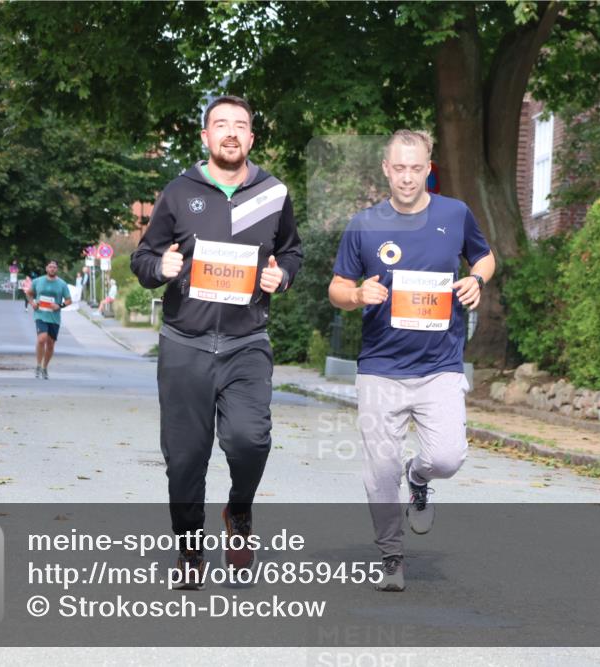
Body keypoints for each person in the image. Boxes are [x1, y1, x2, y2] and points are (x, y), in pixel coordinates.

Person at [131, 95, 302, 587]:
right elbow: (143, 258)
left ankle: (239, 511)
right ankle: (189, 548)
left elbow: (291, 252)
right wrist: (158, 268)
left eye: (240, 125)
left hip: (247, 343)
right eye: (220, 125)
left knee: (250, 441)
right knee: (184, 459)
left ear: (252, 137)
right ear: (204, 137)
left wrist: (282, 277)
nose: (230, 133)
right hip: (185, 342)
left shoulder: (273, 193)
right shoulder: (179, 192)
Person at [328, 130, 496, 592]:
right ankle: (391, 556)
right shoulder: (364, 224)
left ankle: (418, 478)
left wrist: (476, 281)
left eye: (415, 168)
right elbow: (337, 288)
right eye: (398, 168)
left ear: (428, 168)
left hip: (440, 365)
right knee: (380, 467)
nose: (407, 177)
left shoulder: (454, 214)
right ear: (386, 169)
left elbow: (485, 258)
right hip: (381, 367)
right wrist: (358, 293)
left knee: (446, 457)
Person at [26, 260, 72, 379]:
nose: (52, 269)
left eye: (54, 267)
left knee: (50, 344)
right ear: (46, 268)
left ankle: (44, 367)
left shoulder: (62, 284)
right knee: (42, 339)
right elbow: (29, 293)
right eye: (50, 267)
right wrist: (32, 303)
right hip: (40, 314)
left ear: (57, 269)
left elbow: (68, 300)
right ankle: (37, 364)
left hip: (54, 317)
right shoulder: (38, 281)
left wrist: (59, 305)